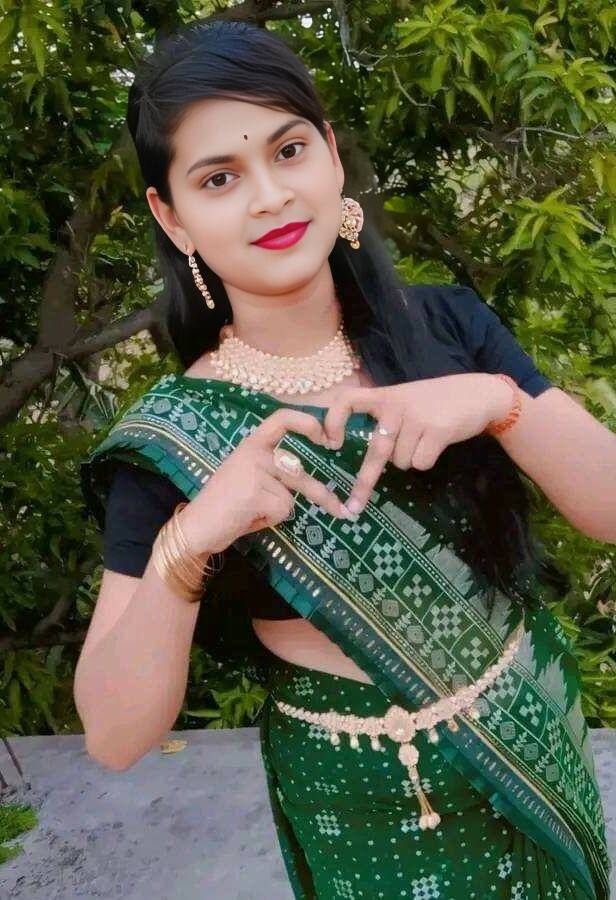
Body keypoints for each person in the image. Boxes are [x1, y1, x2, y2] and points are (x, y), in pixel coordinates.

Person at [75, 18, 613, 900]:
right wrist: (193, 537)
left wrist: (498, 402)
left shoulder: (447, 327)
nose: (270, 197)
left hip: (532, 750)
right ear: (172, 217)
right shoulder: (172, 439)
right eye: (219, 177)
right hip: (355, 805)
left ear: (329, 154)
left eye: (288, 151)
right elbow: (114, 735)